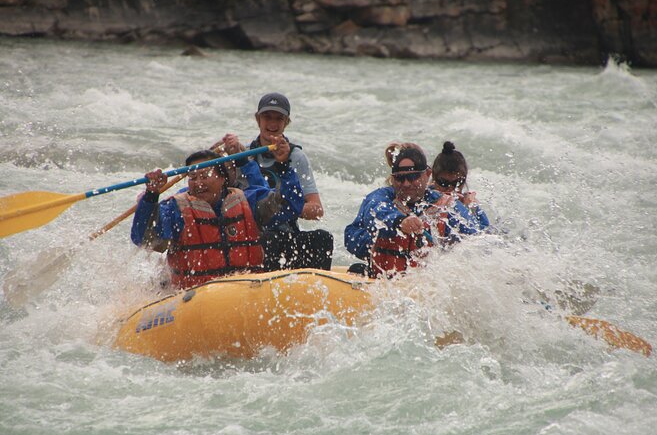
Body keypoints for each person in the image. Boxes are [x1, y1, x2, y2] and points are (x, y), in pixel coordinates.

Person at [131, 140, 304, 290]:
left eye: (205, 175)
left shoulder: (248, 201)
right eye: (193, 177)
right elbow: (146, 239)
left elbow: (289, 206)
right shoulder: (176, 208)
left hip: (246, 290)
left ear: (223, 179)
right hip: (192, 298)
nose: (198, 183)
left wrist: (283, 165)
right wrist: (151, 196)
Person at [214, 92, 333, 271]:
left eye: (279, 118)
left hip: (285, 232)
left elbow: (316, 210)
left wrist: (284, 204)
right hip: (250, 234)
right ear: (257, 119)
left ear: (286, 122)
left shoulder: (296, 157)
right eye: (267, 117)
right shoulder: (241, 154)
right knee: (269, 238)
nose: (272, 124)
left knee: (323, 238)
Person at [345, 142, 473, 277]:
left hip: (427, 284)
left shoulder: (447, 205)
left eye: (413, 177)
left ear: (428, 174)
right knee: (357, 269)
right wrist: (399, 224)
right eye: (400, 178)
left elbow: (477, 238)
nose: (406, 184)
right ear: (393, 179)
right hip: (384, 279)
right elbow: (366, 221)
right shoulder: (381, 197)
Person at [431, 141, 490, 232]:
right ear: (434, 178)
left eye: (457, 183)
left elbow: (485, 232)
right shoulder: (426, 197)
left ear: (464, 180)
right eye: (443, 183)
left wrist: (470, 208)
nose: (450, 188)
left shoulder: (469, 204)